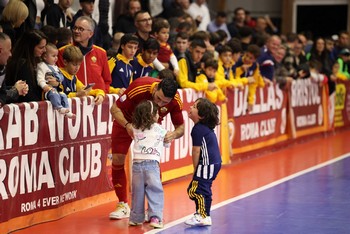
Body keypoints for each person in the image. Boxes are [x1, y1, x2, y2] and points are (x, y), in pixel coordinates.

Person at [109, 75, 184, 220]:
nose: (160, 104)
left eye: (165, 102)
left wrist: (173, 135)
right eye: (158, 98)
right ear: (156, 88)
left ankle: (153, 210)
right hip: (126, 123)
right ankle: (122, 204)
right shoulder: (139, 87)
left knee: (152, 163)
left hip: (150, 128)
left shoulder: (175, 100)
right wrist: (127, 126)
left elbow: (180, 128)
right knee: (117, 160)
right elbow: (114, 109)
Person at [128, 100, 167, 228]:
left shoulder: (135, 127)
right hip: (152, 164)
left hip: (137, 164)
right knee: (154, 190)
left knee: (137, 192)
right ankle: (155, 217)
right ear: (152, 115)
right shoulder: (159, 129)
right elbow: (167, 142)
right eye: (156, 114)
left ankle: (135, 218)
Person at [185, 97, 221, 226]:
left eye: (194, 107)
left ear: (201, 115)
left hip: (207, 164)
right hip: (213, 163)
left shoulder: (197, 129)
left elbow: (196, 151)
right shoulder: (202, 128)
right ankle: (203, 214)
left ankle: (203, 215)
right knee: (201, 188)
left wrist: (195, 168)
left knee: (196, 190)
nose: (190, 107)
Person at [57, 16, 111, 103]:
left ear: (91, 34)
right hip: (73, 103)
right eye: (75, 28)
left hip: (97, 103)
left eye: (81, 29)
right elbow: (59, 78)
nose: (76, 31)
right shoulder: (62, 51)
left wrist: (102, 94)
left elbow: (107, 80)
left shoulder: (101, 53)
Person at [5, 29, 47, 103]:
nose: (45, 50)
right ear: (30, 47)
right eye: (41, 47)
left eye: (45, 47)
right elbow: (28, 95)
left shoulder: (34, 61)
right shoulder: (23, 65)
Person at [37, 43, 75, 118]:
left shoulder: (55, 67)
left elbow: (61, 77)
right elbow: (40, 79)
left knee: (63, 95)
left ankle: (67, 110)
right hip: (47, 91)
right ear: (45, 56)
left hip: (56, 89)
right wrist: (45, 86)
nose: (56, 58)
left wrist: (58, 80)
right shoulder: (41, 66)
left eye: (57, 56)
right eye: (53, 56)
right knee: (54, 93)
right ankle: (59, 108)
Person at [232, 44, 265, 112]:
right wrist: (240, 69)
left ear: (255, 59)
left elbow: (253, 84)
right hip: (234, 92)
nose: (247, 59)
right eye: (246, 55)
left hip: (243, 95)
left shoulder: (255, 66)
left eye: (251, 58)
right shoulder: (238, 61)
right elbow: (232, 77)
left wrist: (251, 101)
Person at [0, 32, 28, 107]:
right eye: (9, 50)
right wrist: (15, 91)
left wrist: (16, 88)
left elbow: (2, 93)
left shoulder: (2, 68)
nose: (10, 54)